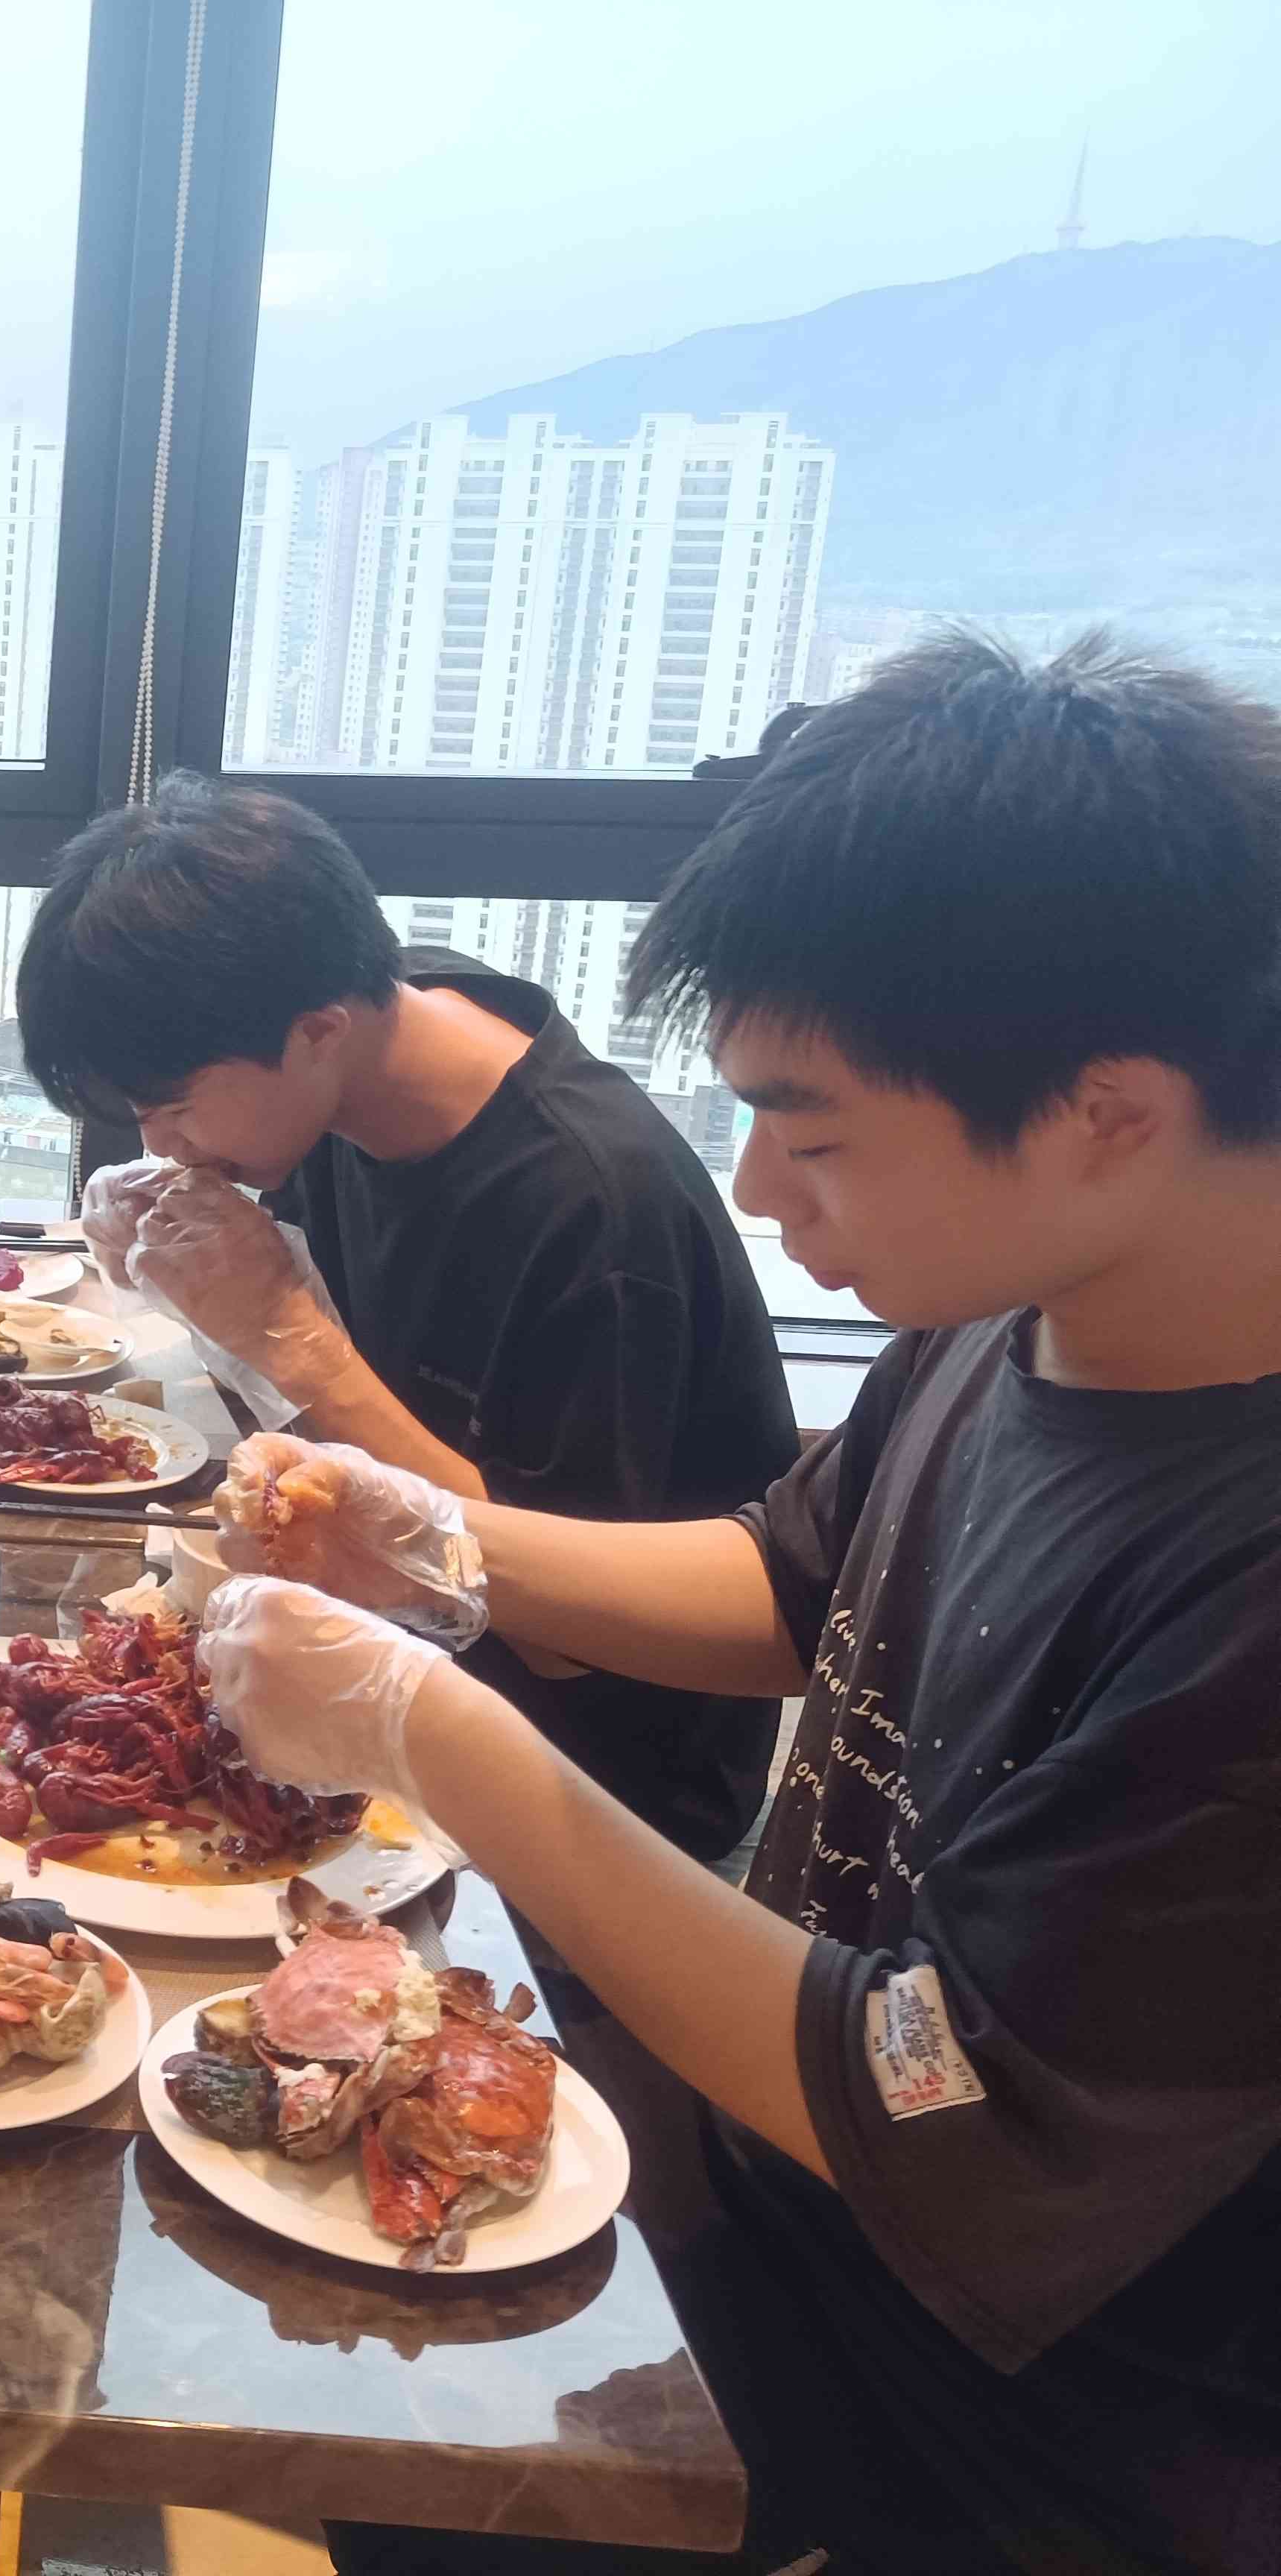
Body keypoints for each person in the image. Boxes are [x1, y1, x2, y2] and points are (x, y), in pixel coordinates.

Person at [197, 631, 1281, 2573]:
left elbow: (927, 2101)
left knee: (342, 2434)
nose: (765, 1191)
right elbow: (793, 1582)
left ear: (1111, 1110)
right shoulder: (1028, 1308)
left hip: (1003, 2419)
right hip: (778, 2173)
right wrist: (439, 1548)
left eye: (819, 1129)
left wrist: (426, 1729)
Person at [16, 775, 798, 1863]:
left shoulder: (592, 1211)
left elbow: (565, 1632)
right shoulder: (357, 1034)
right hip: (399, 1655)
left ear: (318, 1033)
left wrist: (296, 1344)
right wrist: (196, 1277)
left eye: (174, 1107)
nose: (161, 1143)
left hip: (600, 1774)